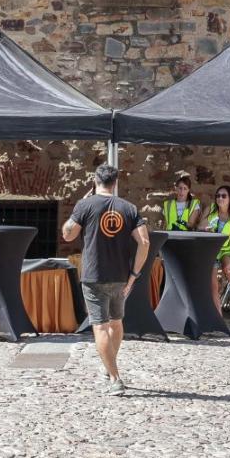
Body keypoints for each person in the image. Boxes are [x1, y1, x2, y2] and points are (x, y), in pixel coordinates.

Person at [63, 164, 150, 397]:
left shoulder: (85, 205)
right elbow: (145, 242)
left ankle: (114, 378)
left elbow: (67, 234)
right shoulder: (129, 208)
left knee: (100, 326)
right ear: (115, 182)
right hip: (121, 276)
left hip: (93, 276)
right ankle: (110, 363)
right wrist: (134, 275)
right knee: (116, 323)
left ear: (95, 181)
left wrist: (76, 211)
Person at [205, 185, 230, 311]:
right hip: (211, 250)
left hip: (225, 250)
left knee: (228, 268)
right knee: (213, 286)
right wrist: (206, 227)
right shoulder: (210, 210)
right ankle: (218, 317)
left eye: (223, 196)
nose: (220, 198)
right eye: (217, 196)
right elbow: (199, 226)